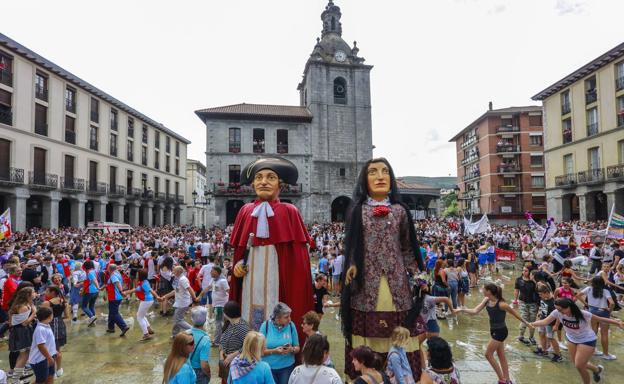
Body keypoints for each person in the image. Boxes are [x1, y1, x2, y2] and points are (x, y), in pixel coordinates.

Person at [341, 158, 425, 380]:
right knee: (365, 333)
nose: (380, 176)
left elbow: (408, 248)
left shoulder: (400, 211)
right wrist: (351, 264)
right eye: (373, 172)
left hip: (397, 283)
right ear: (364, 180)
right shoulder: (356, 210)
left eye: (385, 171)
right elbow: (350, 244)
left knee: (399, 332)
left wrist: (419, 275)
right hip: (365, 285)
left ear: (391, 178)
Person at [229, 157, 314, 343]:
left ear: (280, 185)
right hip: (250, 282)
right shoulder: (245, 211)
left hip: (278, 281)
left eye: (270, 177)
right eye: (259, 177)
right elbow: (239, 251)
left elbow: (298, 261)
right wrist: (236, 267)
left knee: (277, 315)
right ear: (252, 184)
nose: (264, 181)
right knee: (250, 320)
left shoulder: (289, 211)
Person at [530, 298, 624, 384]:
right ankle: (596, 369)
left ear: (569, 307)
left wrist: (618, 323)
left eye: (561, 309)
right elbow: (545, 321)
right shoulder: (557, 312)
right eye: (558, 309)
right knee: (577, 363)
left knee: (579, 365)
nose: (559, 312)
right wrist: (532, 324)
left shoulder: (583, 313)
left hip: (587, 340)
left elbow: (600, 319)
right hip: (571, 339)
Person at [455, 283, 531, 384]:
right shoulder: (486, 300)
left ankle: (502, 380)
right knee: (501, 355)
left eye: (484, 289)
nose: (482, 290)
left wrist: (527, 323)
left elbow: (515, 314)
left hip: (501, 332)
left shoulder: (502, 304)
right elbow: (475, 311)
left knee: (488, 354)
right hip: (494, 331)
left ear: (489, 291)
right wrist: (461, 310)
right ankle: (507, 380)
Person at [576, 276, 616, 360]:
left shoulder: (589, 289)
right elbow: (612, 303)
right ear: (602, 283)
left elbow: (578, 295)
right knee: (604, 334)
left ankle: (593, 350)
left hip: (592, 311)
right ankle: (606, 354)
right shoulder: (605, 291)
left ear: (593, 282)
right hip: (603, 312)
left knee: (593, 332)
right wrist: (609, 311)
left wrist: (586, 304)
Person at [260, 302, 300, 384]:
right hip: (268, 368)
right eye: (286, 317)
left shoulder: (291, 326)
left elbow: (297, 347)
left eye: (290, 316)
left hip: (287, 367)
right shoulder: (265, 326)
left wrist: (291, 349)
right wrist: (274, 351)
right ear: (277, 318)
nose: (290, 319)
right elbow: (259, 351)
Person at [8, 286, 37, 382]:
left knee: (23, 356)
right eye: (33, 292)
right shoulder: (23, 307)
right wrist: (34, 313)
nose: (35, 293)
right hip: (21, 332)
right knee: (23, 356)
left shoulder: (26, 304)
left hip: (22, 331)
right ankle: (16, 380)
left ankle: (16, 379)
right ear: (28, 295)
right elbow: (24, 323)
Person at [161, 265, 198, 337]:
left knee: (178, 320)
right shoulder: (177, 278)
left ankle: (194, 330)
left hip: (183, 303)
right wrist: (165, 296)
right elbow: (175, 291)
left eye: (174, 271)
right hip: (179, 302)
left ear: (178, 272)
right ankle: (175, 334)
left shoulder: (182, 279)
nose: (172, 272)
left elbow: (190, 289)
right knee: (176, 318)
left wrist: (194, 298)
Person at [220, 301, 251, 384]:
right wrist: (221, 353)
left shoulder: (242, 328)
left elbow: (249, 346)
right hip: (226, 363)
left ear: (228, 313)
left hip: (237, 365)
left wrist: (232, 355)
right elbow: (222, 341)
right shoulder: (229, 323)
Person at [124, 269, 160, 340]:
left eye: (137, 274)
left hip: (146, 301)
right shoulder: (144, 282)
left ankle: (146, 334)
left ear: (140, 275)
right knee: (142, 315)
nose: (136, 275)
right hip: (148, 300)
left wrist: (157, 297)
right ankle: (149, 329)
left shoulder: (143, 283)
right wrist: (125, 293)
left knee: (139, 317)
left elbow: (150, 290)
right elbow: (134, 290)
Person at [41, 285, 69, 377]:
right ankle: (59, 369)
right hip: (60, 325)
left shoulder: (47, 303)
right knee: (57, 349)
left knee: (50, 350)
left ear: (52, 292)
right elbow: (67, 315)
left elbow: (44, 317)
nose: (45, 292)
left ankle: (52, 371)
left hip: (50, 326)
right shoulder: (63, 301)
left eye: (47, 291)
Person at [532, 284, 562, 362]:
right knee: (541, 334)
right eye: (539, 294)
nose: (540, 296)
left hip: (551, 323)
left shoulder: (554, 302)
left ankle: (558, 355)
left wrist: (556, 325)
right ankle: (544, 350)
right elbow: (542, 307)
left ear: (546, 292)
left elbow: (559, 315)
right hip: (542, 320)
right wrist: (539, 315)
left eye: (541, 294)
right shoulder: (543, 298)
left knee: (551, 337)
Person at [28, 307, 57, 384]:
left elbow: (48, 342)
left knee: (50, 376)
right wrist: (49, 357)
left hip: (49, 356)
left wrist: (53, 351)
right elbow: (40, 346)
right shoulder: (40, 329)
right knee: (41, 380)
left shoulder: (46, 325)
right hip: (40, 360)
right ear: (50, 316)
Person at [513, 266, 538, 345]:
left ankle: (531, 337)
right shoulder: (519, 280)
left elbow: (540, 289)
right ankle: (521, 336)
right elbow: (516, 290)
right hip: (522, 302)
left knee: (532, 320)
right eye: (523, 270)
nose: (524, 272)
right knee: (524, 319)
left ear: (530, 272)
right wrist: (515, 301)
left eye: (526, 271)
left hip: (533, 303)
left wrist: (533, 280)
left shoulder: (534, 281)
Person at [104, 264, 129, 336]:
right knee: (112, 313)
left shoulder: (113, 276)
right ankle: (111, 328)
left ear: (109, 269)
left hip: (114, 297)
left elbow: (117, 283)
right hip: (115, 297)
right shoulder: (117, 274)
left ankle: (123, 326)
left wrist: (121, 291)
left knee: (114, 313)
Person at [189, 307, 212, 384]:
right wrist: (209, 374)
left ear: (191, 319)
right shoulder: (205, 339)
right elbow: (204, 365)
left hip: (186, 368)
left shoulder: (184, 334)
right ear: (205, 320)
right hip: (198, 372)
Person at [211, 266, 230, 347]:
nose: (211, 272)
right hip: (216, 306)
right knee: (222, 323)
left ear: (218, 272)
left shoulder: (222, 281)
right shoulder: (213, 280)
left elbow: (229, 291)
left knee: (218, 324)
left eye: (212, 271)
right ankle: (222, 339)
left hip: (221, 306)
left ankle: (217, 341)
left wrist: (229, 304)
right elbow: (209, 289)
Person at [81, 260, 99, 327]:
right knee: (91, 306)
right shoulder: (94, 271)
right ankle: (93, 321)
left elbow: (94, 280)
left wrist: (98, 287)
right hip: (95, 292)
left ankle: (92, 317)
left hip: (89, 291)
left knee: (84, 306)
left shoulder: (89, 272)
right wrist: (98, 288)